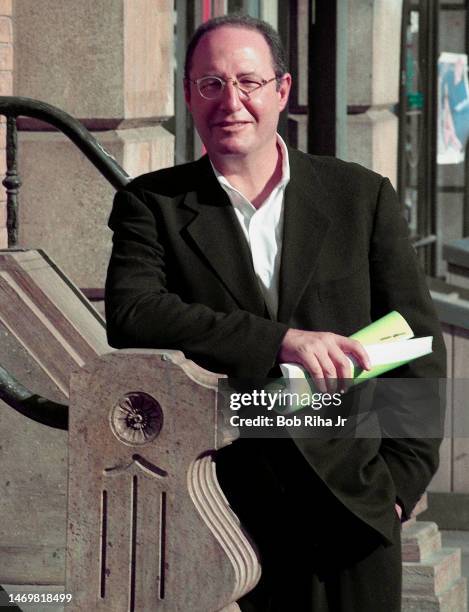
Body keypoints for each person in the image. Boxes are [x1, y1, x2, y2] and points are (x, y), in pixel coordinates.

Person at [105, 14, 446, 612]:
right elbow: (134, 312)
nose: (230, 102)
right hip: (224, 508)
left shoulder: (360, 197)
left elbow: (414, 338)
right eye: (210, 84)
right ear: (188, 95)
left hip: (354, 507)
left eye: (248, 82)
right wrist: (281, 340)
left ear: (281, 91)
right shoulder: (151, 203)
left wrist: (400, 483)